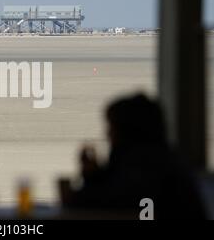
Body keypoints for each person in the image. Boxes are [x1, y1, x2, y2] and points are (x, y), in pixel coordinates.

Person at [61, 93, 205, 220]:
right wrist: (93, 175)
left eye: (112, 127)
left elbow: (114, 201)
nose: (107, 134)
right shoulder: (161, 160)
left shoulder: (147, 165)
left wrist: (84, 187)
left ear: (126, 131)